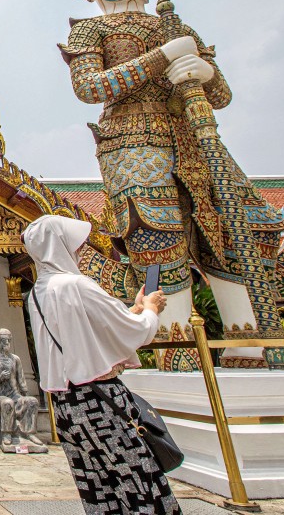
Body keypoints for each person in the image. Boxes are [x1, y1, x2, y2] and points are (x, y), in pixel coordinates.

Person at [22, 215, 179, 515]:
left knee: (99, 487)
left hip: (66, 407)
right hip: (101, 400)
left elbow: (82, 333)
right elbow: (135, 332)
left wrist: (133, 309)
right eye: (76, 246)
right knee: (139, 482)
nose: (81, 251)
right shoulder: (76, 285)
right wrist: (150, 311)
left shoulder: (37, 293)